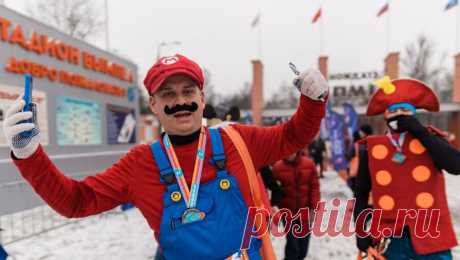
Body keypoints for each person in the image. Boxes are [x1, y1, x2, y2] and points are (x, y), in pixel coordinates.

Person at [2, 54, 328, 259]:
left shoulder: (237, 139)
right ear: (154, 105)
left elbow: (293, 135)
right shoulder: (139, 163)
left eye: (188, 92)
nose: (180, 102)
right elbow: (76, 201)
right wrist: (28, 153)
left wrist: (313, 101)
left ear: (202, 98)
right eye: (168, 95)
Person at [354, 76, 460, 260]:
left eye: (406, 110)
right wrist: (361, 233)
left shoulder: (431, 141)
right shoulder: (370, 149)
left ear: (414, 114)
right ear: (386, 115)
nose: (400, 115)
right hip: (391, 239)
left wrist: (420, 132)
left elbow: (456, 165)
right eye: (394, 110)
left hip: (432, 236)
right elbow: (361, 194)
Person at [271, 152, 320, 260]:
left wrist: (313, 209)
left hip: (305, 213)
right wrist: (276, 208)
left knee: (303, 249)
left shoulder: (309, 164)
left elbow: (314, 188)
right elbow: (274, 191)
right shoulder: (277, 168)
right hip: (288, 214)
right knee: (293, 247)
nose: (289, 153)